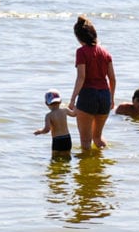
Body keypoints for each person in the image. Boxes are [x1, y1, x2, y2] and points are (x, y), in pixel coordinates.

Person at [69, 15, 116, 151]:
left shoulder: (81, 52)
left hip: (88, 95)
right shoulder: (105, 52)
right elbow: (112, 78)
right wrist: (111, 99)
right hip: (104, 96)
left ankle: (87, 171)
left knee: (85, 142)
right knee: (98, 138)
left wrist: (72, 100)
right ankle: (102, 166)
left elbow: (81, 77)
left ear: (78, 37)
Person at [34, 89, 76, 155]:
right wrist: (74, 106)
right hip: (67, 138)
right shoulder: (65, 110)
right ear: (60, 101)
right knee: (67, 156)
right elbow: (74, 114)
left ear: (46, 103)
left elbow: (47, 130)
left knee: (55, 157)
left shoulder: (48, 116)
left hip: (57, 140)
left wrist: (40, 131)